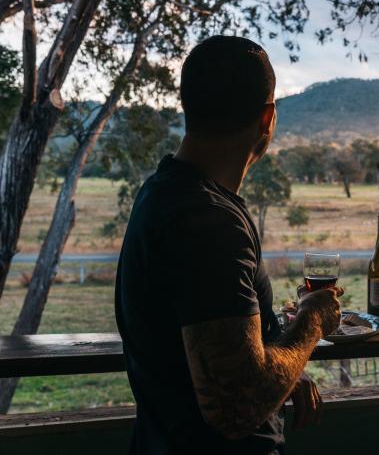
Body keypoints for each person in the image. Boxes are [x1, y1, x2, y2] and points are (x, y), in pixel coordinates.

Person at [115, 36, 342, 455]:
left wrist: (284, 370)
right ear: (267, 118)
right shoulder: (209, 221)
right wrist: (311, 323)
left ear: (189, 107)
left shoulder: (163, 193)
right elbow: (236, 407)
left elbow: (223, 355)